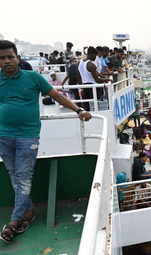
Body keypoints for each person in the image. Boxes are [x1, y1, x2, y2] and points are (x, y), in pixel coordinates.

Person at [0, 40, 92, 243]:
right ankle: (29, 211)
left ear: (17, 58)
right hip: (3, 136)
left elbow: (56, 96)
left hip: (27, 135)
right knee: (14, 175)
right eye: (2, 57)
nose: (6, 61)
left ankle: (15, 220)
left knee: (23, 176)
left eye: (10, 56)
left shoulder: (33, 78)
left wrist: (79, 110)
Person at [76, 47, 112, 111]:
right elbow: (97, 79)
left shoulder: (79, 63)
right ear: (93, 55)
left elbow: (79, 79)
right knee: (95, 106)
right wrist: (107, 79)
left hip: (84, 86)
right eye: (95, 56)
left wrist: (81, 88)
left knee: (86, 106)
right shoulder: (91, 65)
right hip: (93, 87)